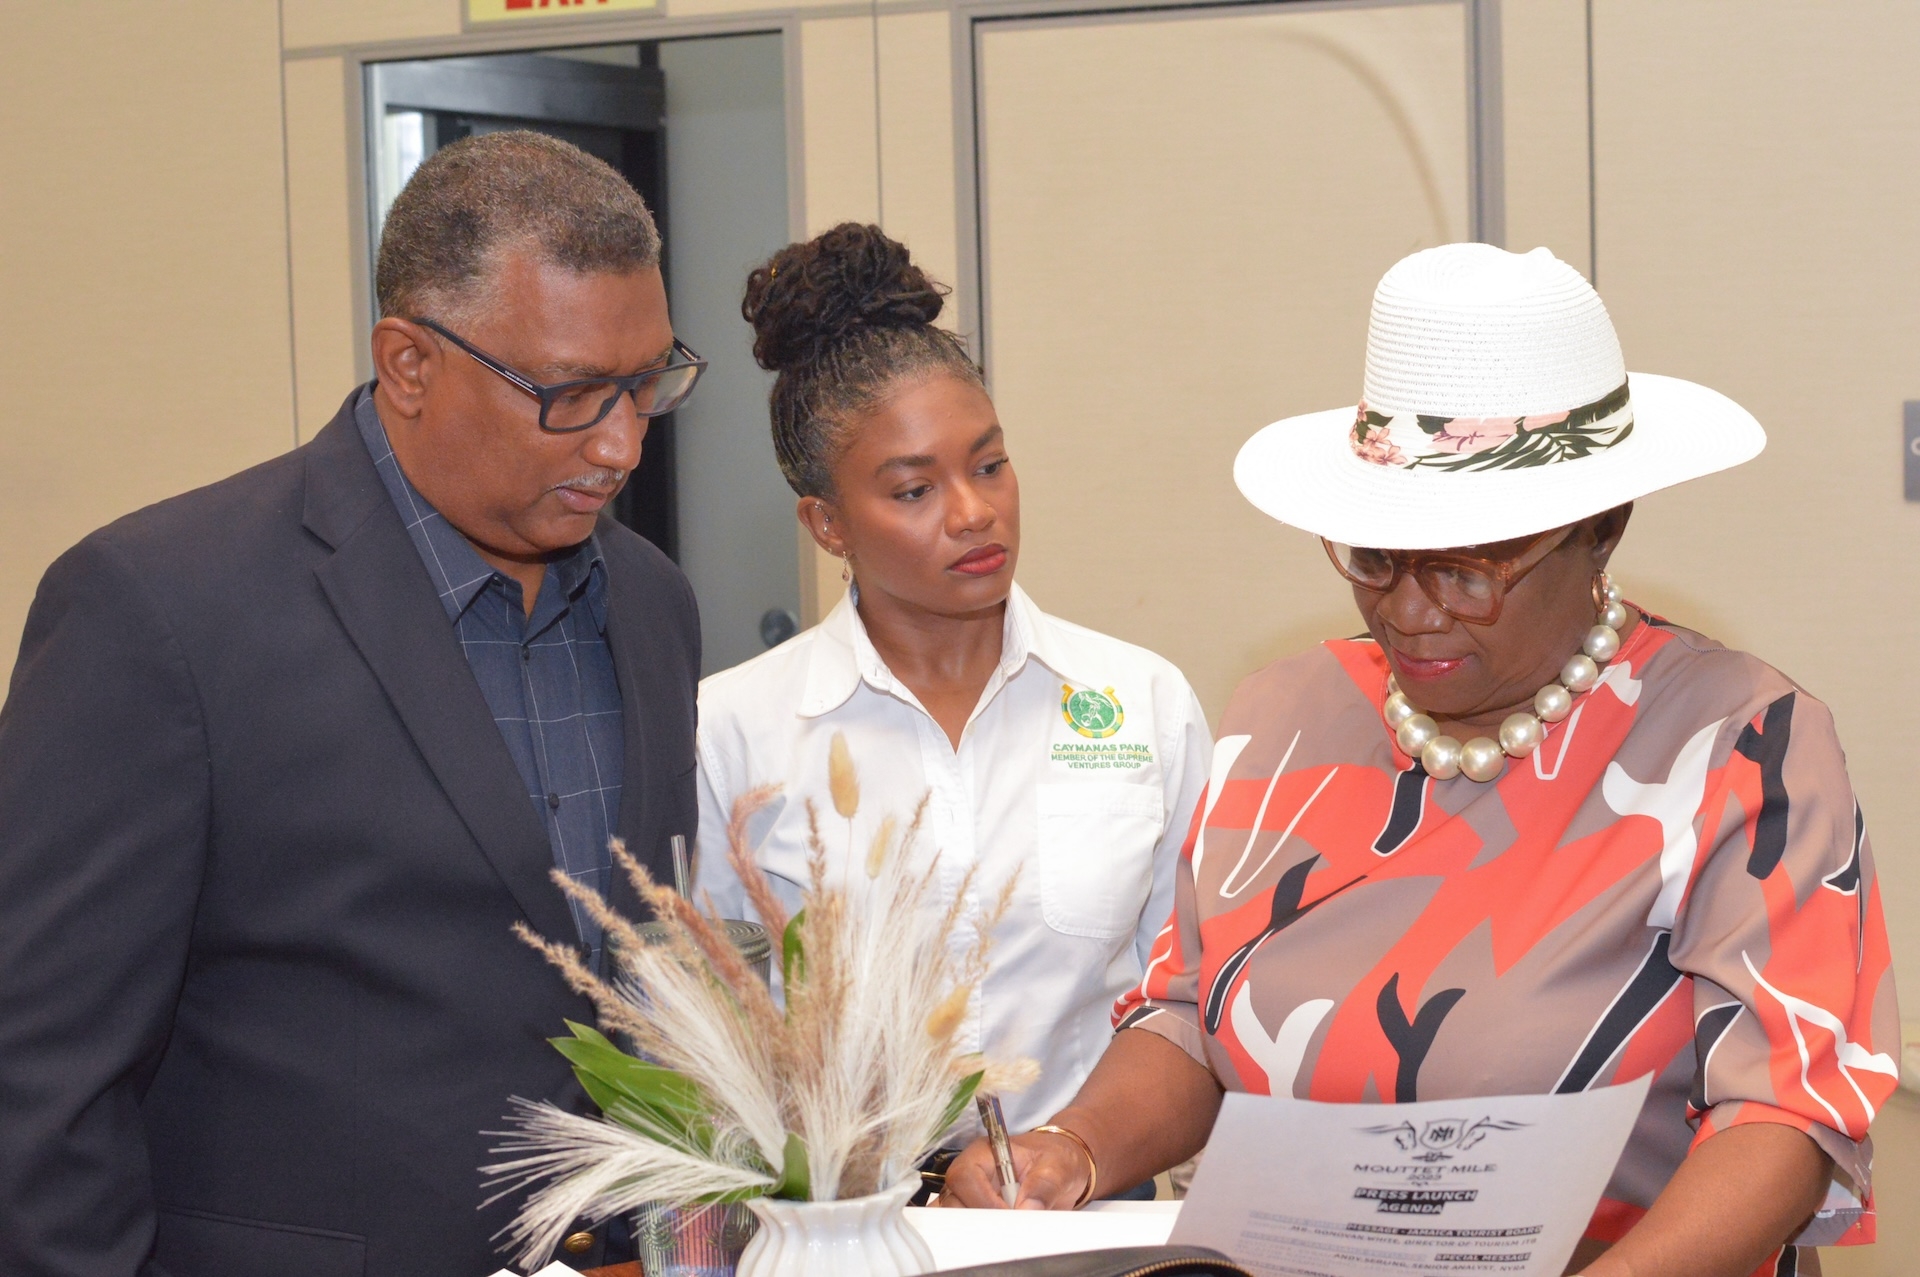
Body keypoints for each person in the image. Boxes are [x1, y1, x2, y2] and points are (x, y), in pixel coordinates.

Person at [940, 244, 1897, 1277]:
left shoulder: (1741, 741)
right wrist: (1071, 1149)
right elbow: (1190, 1016)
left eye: (1472, 565)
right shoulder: (1283, 715)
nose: (1410, 606)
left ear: (1600, 529)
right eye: (1378, 555)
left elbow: (1789, 1113)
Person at [0, 131, 706, 1277]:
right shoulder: (162, 609)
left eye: (648, 382)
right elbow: (37, 1073)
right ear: (410, 362)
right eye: (572, 395)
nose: (622, 443)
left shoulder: (653, 604)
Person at [693, 224, 1212, 1162]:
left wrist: (1075, 1153)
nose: (974, 512)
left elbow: (1190, 1005)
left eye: (988, 464)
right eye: (912, 490)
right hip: (846, 1235)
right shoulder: (735, 730)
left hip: (1087, 1215)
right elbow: (707, 1041)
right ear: (827, 523)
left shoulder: (1142, 700)